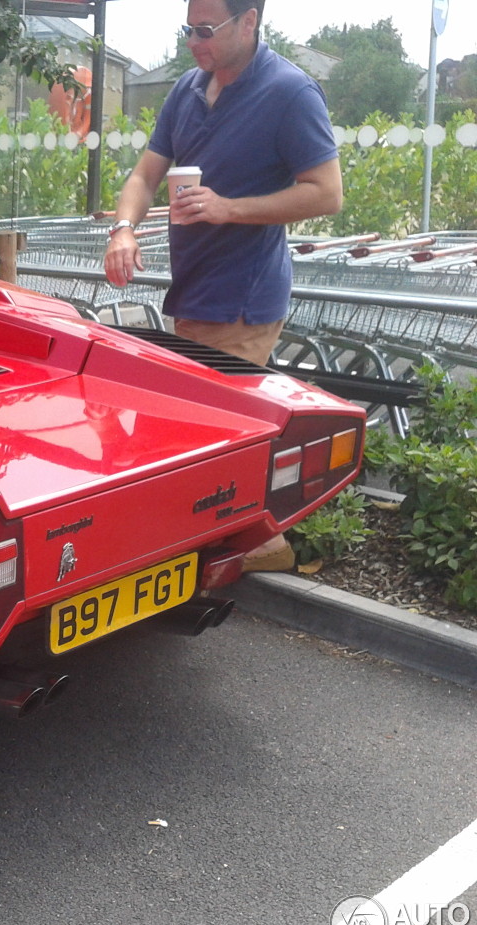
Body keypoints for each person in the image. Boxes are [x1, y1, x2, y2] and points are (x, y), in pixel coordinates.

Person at [103, 0, 343, 573]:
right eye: (188, 28)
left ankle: (250, 546)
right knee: (214, 427)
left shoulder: (291, 92)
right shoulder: (188, 88)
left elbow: (327, 193)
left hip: (243, 298)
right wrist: (123, 228)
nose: (193, 41)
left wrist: (228, 208)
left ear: (249, 22)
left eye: (206, 30)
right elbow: (144, 174)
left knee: (218, 431)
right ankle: (239, 543)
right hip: (193, 292)